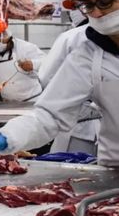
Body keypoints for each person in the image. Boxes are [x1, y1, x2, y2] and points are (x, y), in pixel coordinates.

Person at [0, 0, 119, 167]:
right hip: (115, 171)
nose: (96, 13)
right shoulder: (87, 55)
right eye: (88, 5)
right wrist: (9, 136)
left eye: (105, 2)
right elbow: (49, 115)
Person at [39, 9, 100, 154]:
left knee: (71, 172)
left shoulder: (70, 37)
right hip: (107, 129)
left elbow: (45, 78)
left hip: (77, 127)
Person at [0, 17, 45, 102]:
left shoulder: (25, 47)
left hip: (32, 101)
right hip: (8, 104)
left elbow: (48, 62)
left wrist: (33, 64)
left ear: (4, 35)